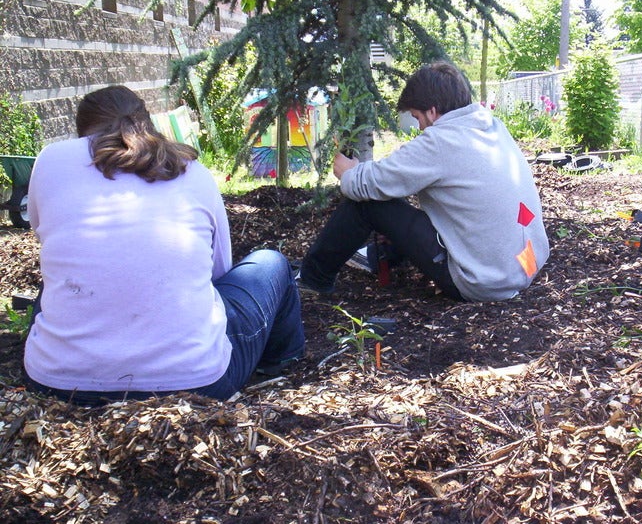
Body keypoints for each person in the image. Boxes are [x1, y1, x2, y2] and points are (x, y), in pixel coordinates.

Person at [24, 85, 304, 406]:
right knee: (270, 263)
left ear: (82, 131)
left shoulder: (50, 160)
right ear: (148, 122)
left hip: (56, 384)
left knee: (53, 288)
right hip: (197, 385)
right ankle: (281, 366)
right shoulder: (191, 170)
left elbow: (43, 234)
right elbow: (218, 273)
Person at [296, 62, 550, 302]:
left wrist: (348, 172)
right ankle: (373, 258)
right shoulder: (492, 127)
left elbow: (370, 184)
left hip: (481, 281)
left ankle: (312, 279)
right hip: (523, 265)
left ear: (432, 111)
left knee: (367, 204)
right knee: (412, 203)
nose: (419, 127)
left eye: (417, 117)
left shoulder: (441, 141)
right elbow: (399, 176)